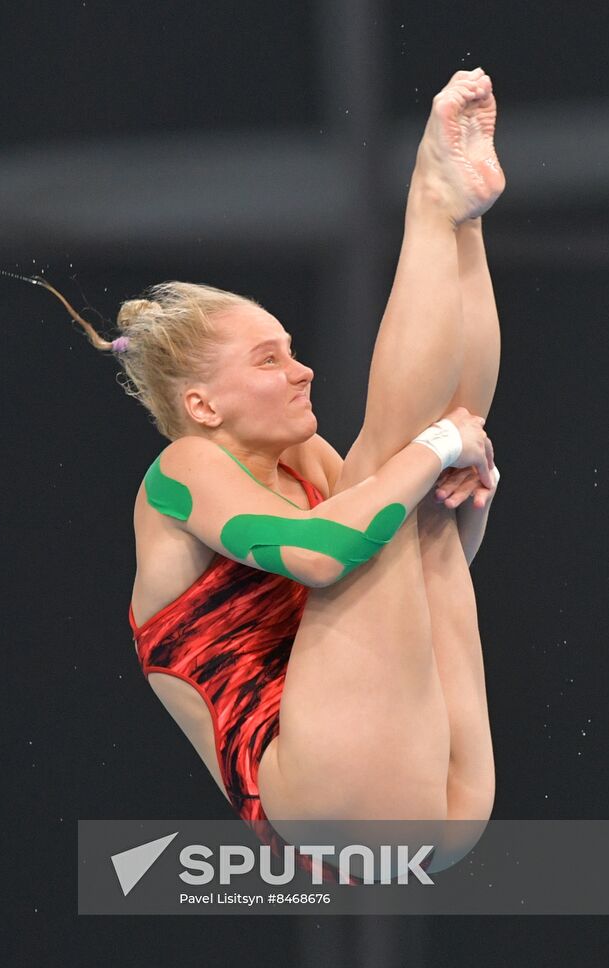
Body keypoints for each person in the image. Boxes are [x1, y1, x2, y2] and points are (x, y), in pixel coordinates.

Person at [42, 67, 505, 875]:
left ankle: (460, 224)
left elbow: (415, 584)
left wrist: (464, 493)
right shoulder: (182, 471)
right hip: (322, 803)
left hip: (433, 792)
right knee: (394, 460)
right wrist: (434, 451)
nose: (303, 373)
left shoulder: (303, 462)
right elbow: (322, 557)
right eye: (269, 360)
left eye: (293, 352)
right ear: (204, 405)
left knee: (411, 500)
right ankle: (434, 205)